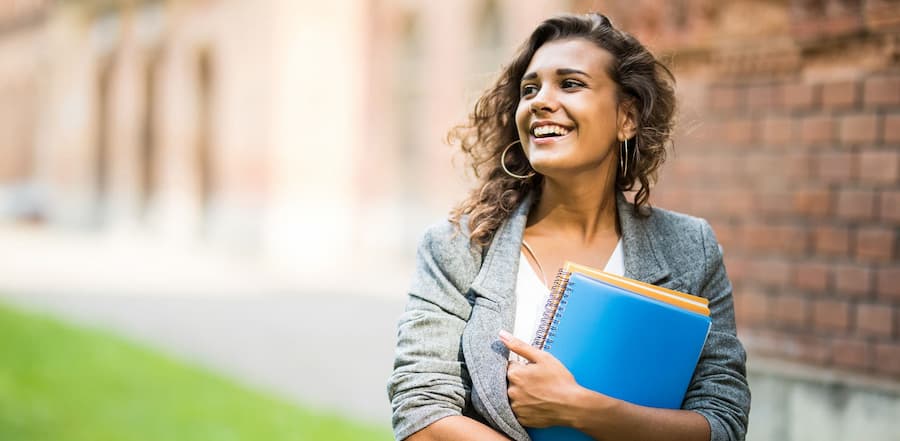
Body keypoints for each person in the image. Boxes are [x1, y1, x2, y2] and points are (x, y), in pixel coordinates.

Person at [387, 12, 750, 441]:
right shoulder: (458, 246)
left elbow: (723, 422)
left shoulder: (690, 248)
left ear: (627, 118)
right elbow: (420, 410)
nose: (540, 101)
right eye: (529, 89)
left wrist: (582, 408)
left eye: (571, 84)